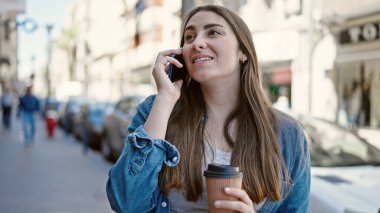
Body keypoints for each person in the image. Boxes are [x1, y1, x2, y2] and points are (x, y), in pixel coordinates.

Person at [106, 5, 310, 213]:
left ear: (243, 52)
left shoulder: (288, 133)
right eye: (189, 37)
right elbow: (126, 204)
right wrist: (165, 98)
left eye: (213, 32)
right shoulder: (157, 110)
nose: (198, 43)